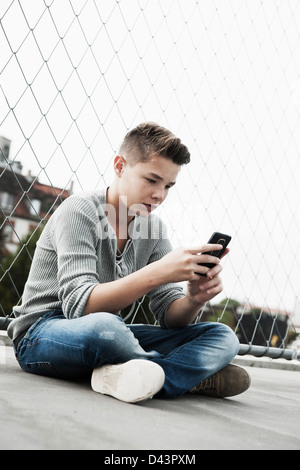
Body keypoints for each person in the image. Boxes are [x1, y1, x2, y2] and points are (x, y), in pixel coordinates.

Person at [8, 122, 250, 403]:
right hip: (41, 334)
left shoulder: (153, 230)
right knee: (106, 330)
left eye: (169, 186)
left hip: (110, 332)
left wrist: (193, 299)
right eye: (151, 180)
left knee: (222, 336)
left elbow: (171, 319)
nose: (160, 194)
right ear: (120, 166)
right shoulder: (80, 210)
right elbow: (80, 307)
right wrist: (156, 273)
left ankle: (139, 375)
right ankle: (184, 377)